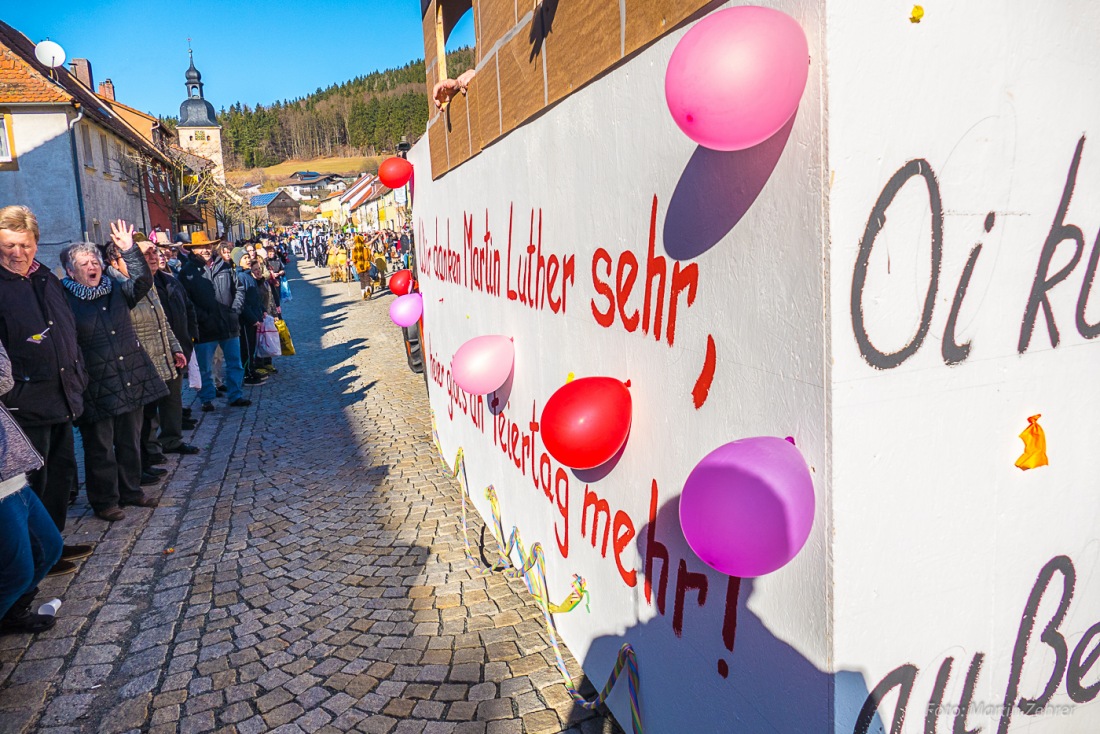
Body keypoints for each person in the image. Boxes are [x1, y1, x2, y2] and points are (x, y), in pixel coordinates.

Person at [0, 205, 92, 575]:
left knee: (60, 475)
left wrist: (78, 373)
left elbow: (65, 327)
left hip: (61, 395)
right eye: (8, 245)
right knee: (29, 488)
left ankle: (52, 543)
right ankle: (32, 558)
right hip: (23, 406)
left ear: (36, 244)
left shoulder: (44, 278)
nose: (17, 252)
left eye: (24, 244)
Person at [61, 222, 169, 522]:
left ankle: (131, 490)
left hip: (128, 375)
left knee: (129, 440)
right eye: (84, 263)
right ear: (71, 272)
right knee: (99, 448)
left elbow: (142, 282)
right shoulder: (63, 299)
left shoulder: (116, 290)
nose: (92, 266)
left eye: (95, 261)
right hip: (94, 383)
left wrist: (129, 250)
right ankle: (105, 501)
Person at [0, 340, 63, 635]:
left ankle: (12, 613)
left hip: (14, 477)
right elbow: (3, 376)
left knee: (49, 547)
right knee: (16, 571)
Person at [132, 238, 199, 475]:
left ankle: (172, 439)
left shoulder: (169, 280)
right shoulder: (134, 287)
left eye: (154, 253)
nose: (153, 257)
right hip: (147, 356)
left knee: (172, 400)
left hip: (175, 349)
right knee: (149, 408)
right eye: (146, 253)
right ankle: (151, 449)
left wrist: (189, 339)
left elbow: (187, 308)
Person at [176, 232, 249, 412]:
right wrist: (201, 316)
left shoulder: (224, 265)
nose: (206, 250)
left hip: (229, 325)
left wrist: (235, 311)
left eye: (208, 246)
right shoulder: (187, 272)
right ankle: (207, 399)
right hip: (205, 328)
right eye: (201, 247)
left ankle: (236, 395)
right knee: (205, 368)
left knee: (235, 364)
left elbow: (239, 289)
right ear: (193, 250)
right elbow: (186, 300)